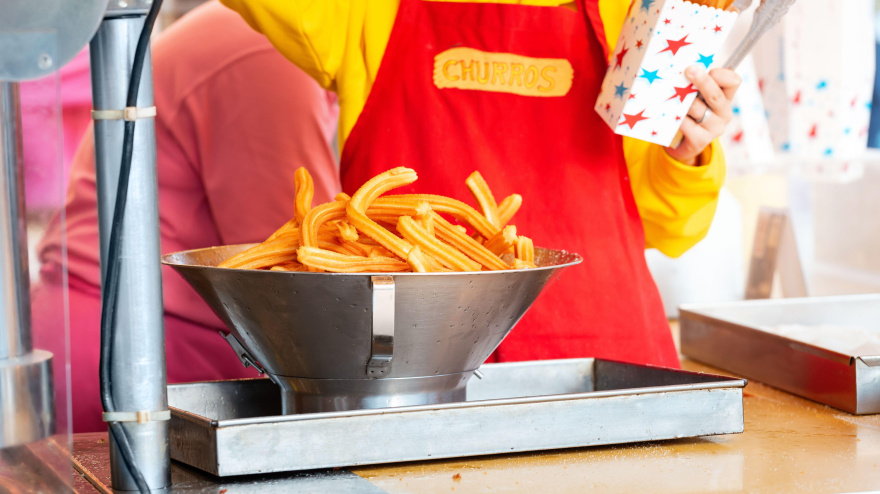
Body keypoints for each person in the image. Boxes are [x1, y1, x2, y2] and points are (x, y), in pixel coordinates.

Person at [219, 0, 741, 368]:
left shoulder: (636, 17)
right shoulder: (364, 11)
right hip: (416, 376)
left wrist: (687, 152)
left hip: (609, 370)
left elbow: (671, 227)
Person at [31, 0, 340, 432]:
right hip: (130, 347)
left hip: (117, 331)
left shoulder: (259, 38)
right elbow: (300, 270)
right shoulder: (269, 50)